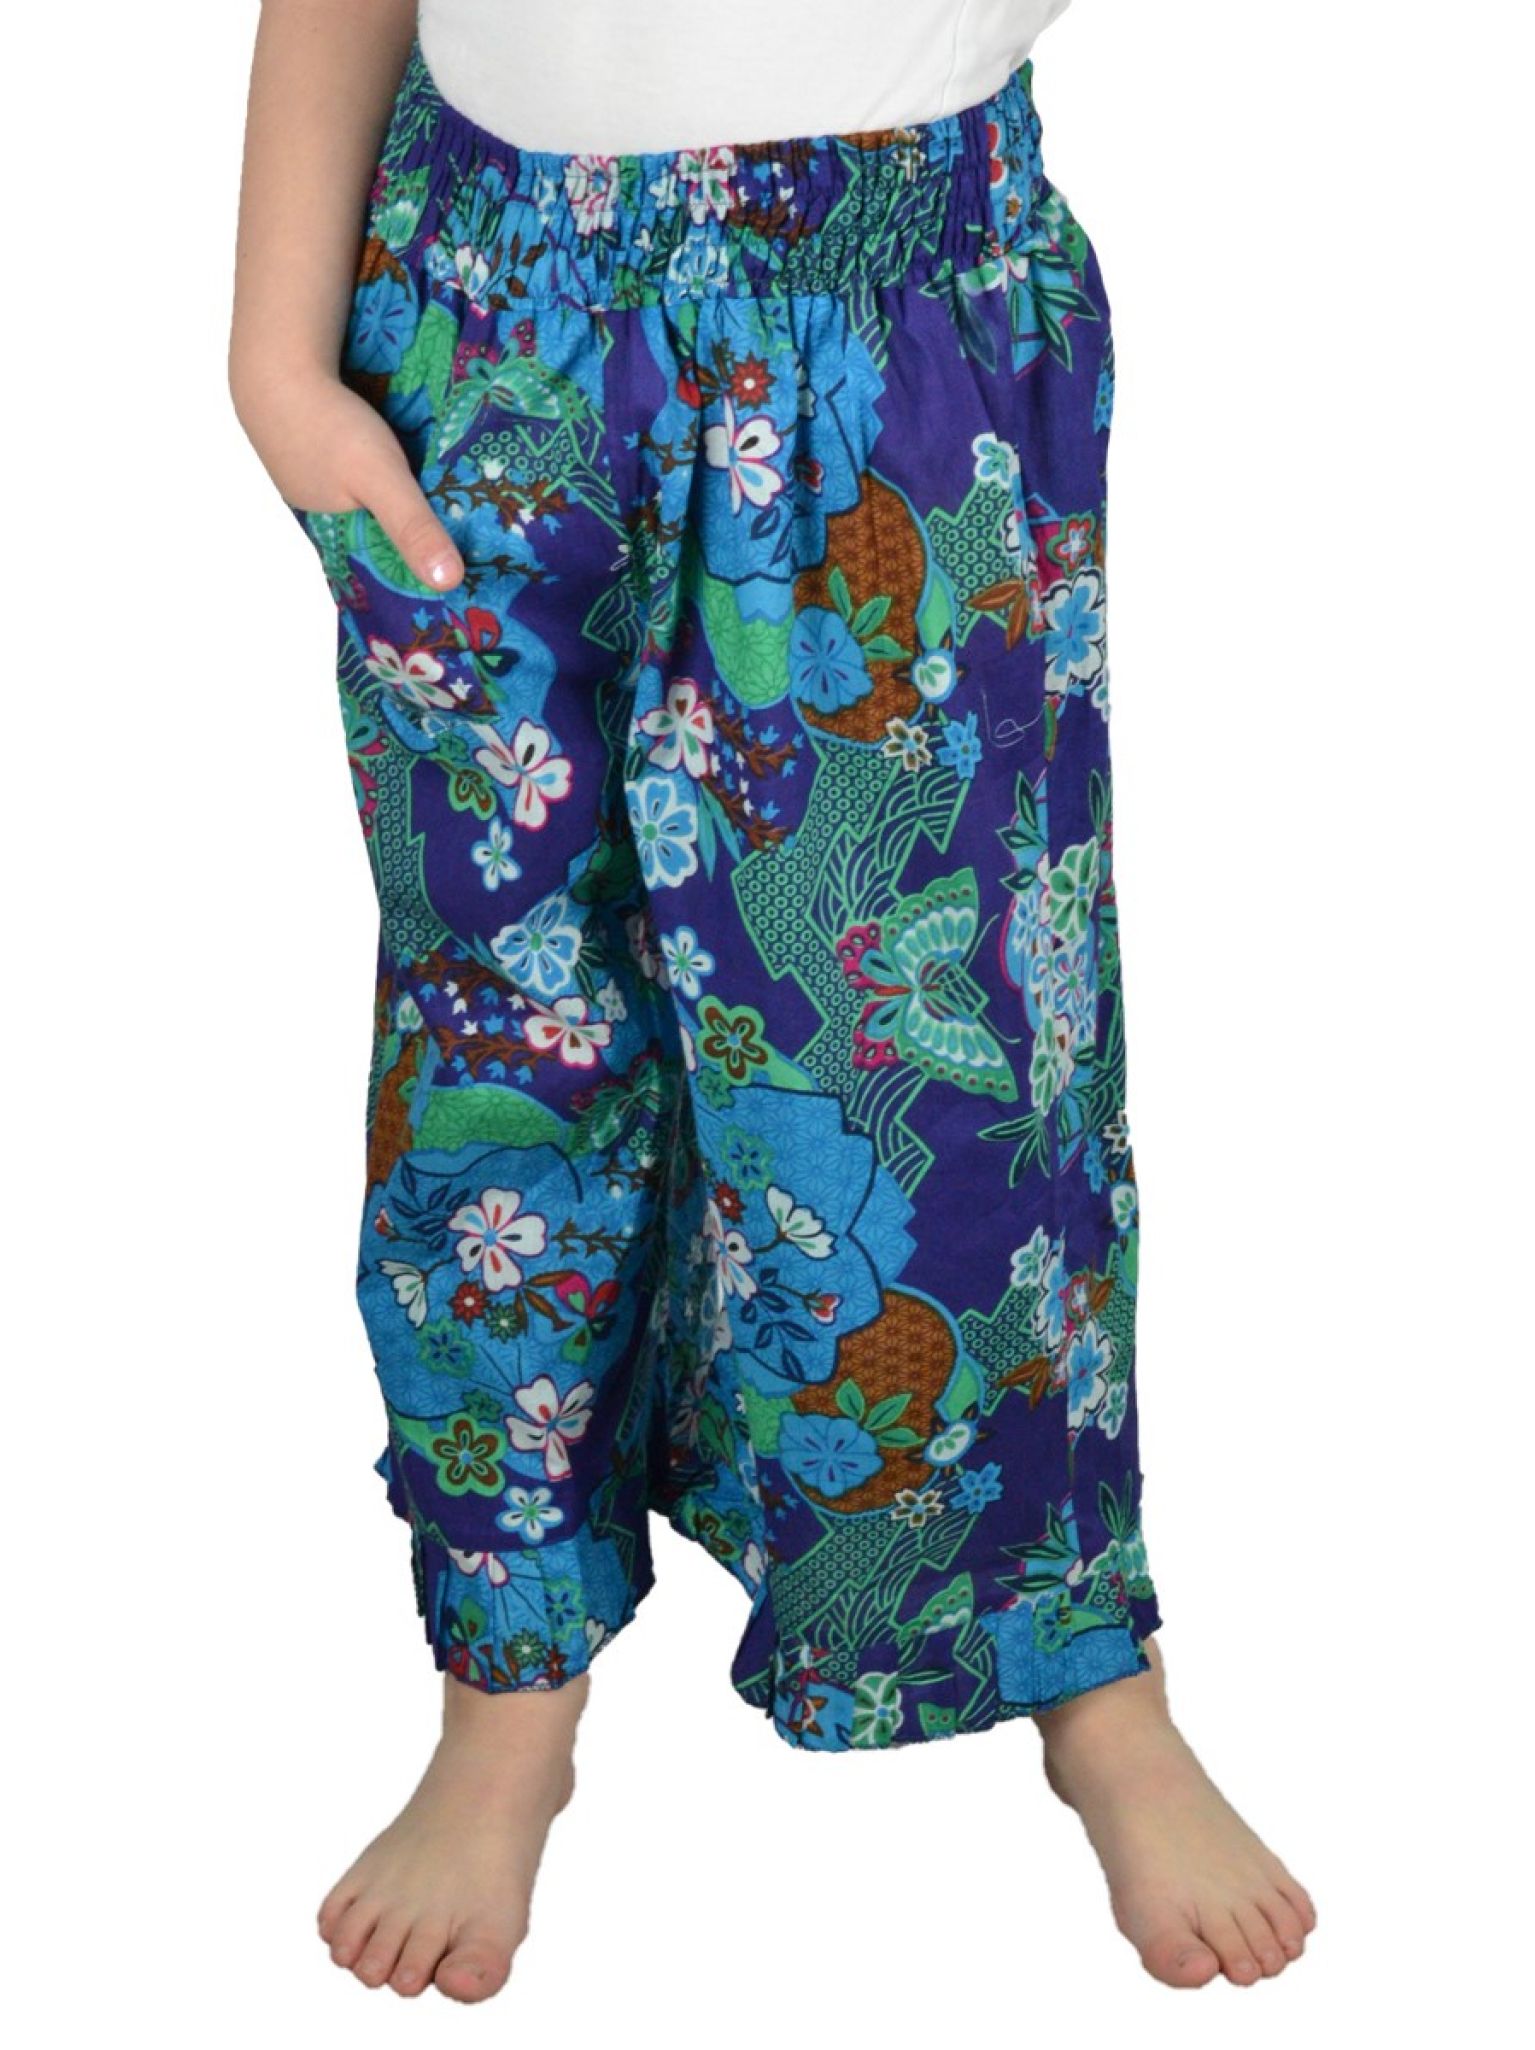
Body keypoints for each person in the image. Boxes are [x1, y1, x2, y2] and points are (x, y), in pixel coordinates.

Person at [229, 0, 1316, 2004]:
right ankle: (508, 1681)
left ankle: (1077, 1655)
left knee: (943, 1055)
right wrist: (277, 354)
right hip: (482, 311)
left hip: (877, 319)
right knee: (503, 1032)